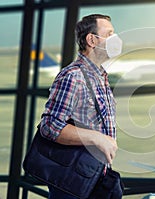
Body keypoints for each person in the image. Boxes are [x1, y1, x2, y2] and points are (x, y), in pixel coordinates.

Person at [39, 14, 123, 198]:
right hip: (76, 184)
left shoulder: (100, 77)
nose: (116, 39)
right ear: (92, 40)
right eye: (109, 34)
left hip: (95, 178)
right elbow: (49, 126)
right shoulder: (73, 76)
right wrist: (96, 138)